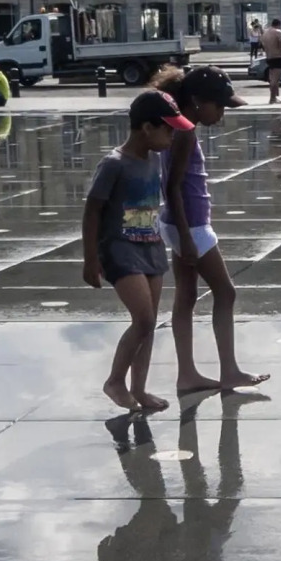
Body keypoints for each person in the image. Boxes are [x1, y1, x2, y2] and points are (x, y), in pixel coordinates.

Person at [150, 66, 268, 397]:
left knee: (186, 296)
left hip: (178, 223)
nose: (221, 114)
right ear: (198, 101)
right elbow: (173, 187)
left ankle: (187, 374)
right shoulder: (184, 132)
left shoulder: (177, 126)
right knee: (226, 292)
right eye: (219, 106)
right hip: (191, 226)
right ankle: (229, 371)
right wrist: (188, 238)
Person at [82, 90, 195, 411]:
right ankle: (114, 381)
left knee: (149, 322)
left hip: (151, 248)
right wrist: (91, 259)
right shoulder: (113, 165)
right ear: (147, 127)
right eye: (168, 129)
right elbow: (92, 210)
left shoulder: (155, 159)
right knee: (143, 320)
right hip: (119, 249)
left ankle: (139, 389)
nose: (172, 136)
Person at [259, 18, 281, 104]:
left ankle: (274, 97)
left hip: (269, 57)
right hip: (278, 57)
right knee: (275, 79)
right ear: (279, 25)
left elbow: (263, 45)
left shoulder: (265, 33)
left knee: (272, 78)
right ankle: (272, 99)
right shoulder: (278, 32)